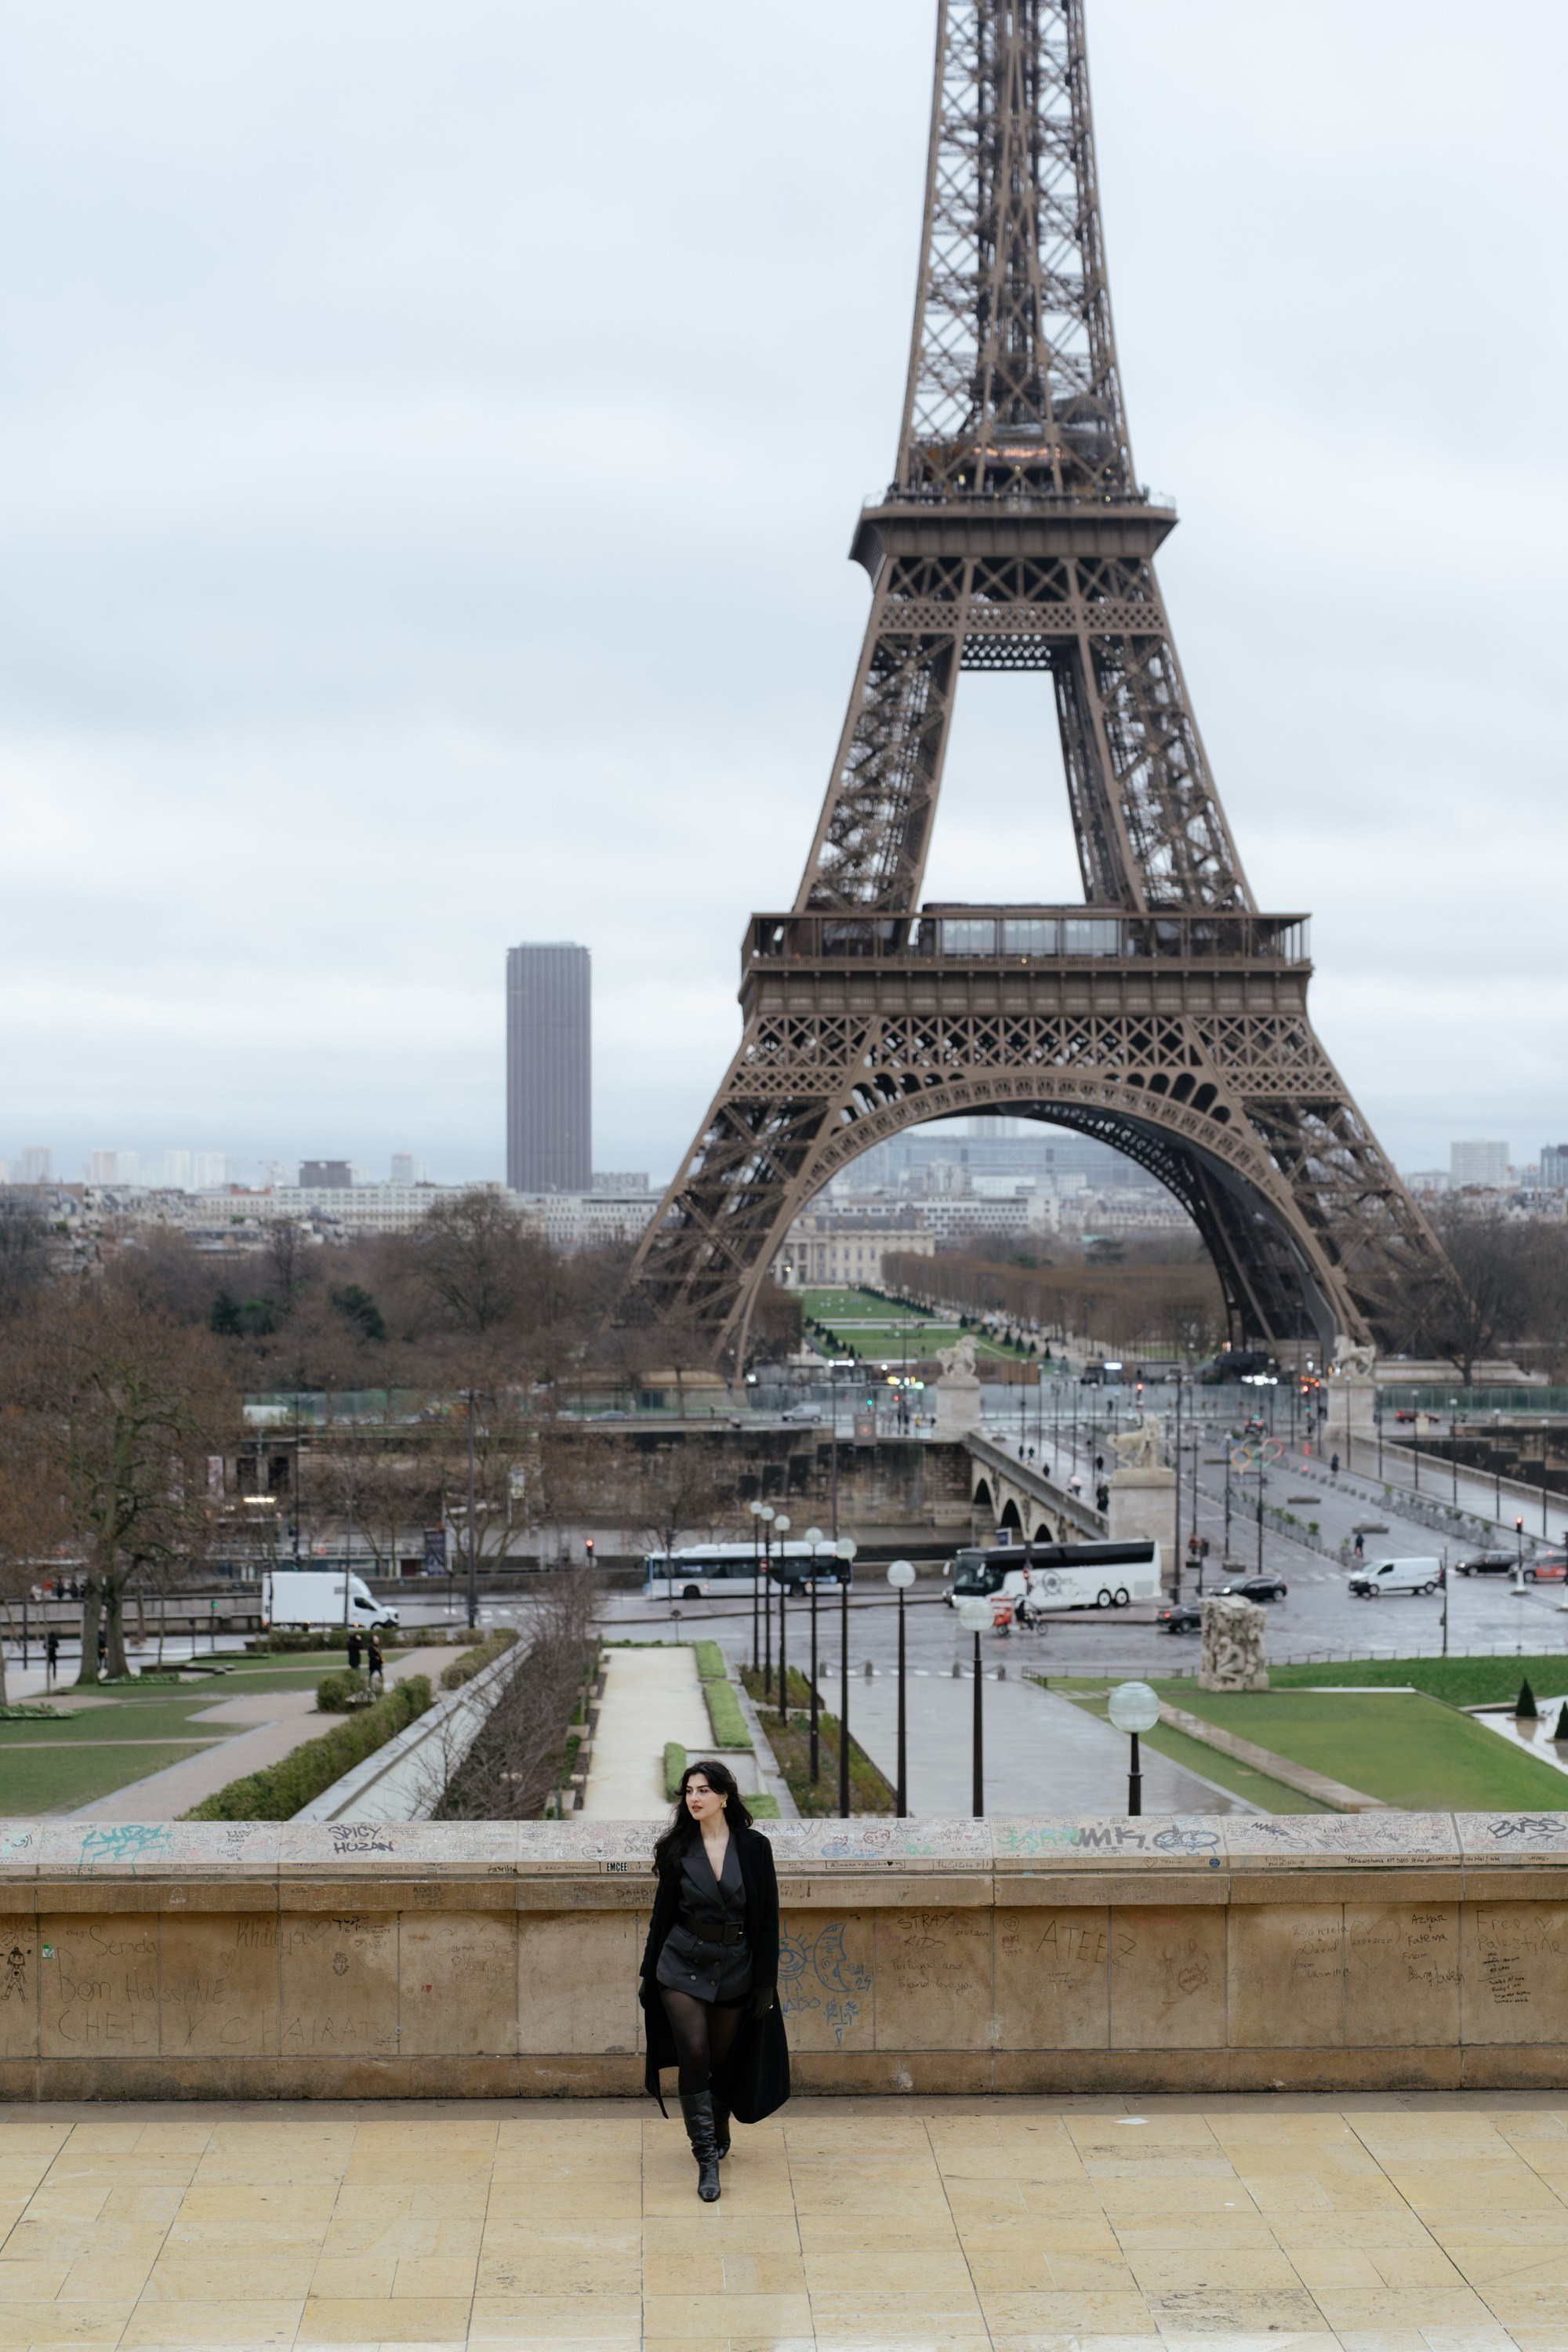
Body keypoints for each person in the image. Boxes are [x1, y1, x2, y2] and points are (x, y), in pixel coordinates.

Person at [639, 1759, 788, 2201]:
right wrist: (650, 1973)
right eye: (688, 1791)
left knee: (722, 2059)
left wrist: (765, 1983)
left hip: (736, 1963)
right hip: (681, 1961)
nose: (695, 1798)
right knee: (695, 2054)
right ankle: (706, 2157)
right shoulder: (676, 1847)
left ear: (724, 1796)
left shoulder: (755, 1848)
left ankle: (718, 2116)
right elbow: (662, 1916)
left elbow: (767, 1920)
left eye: (703, 1790)